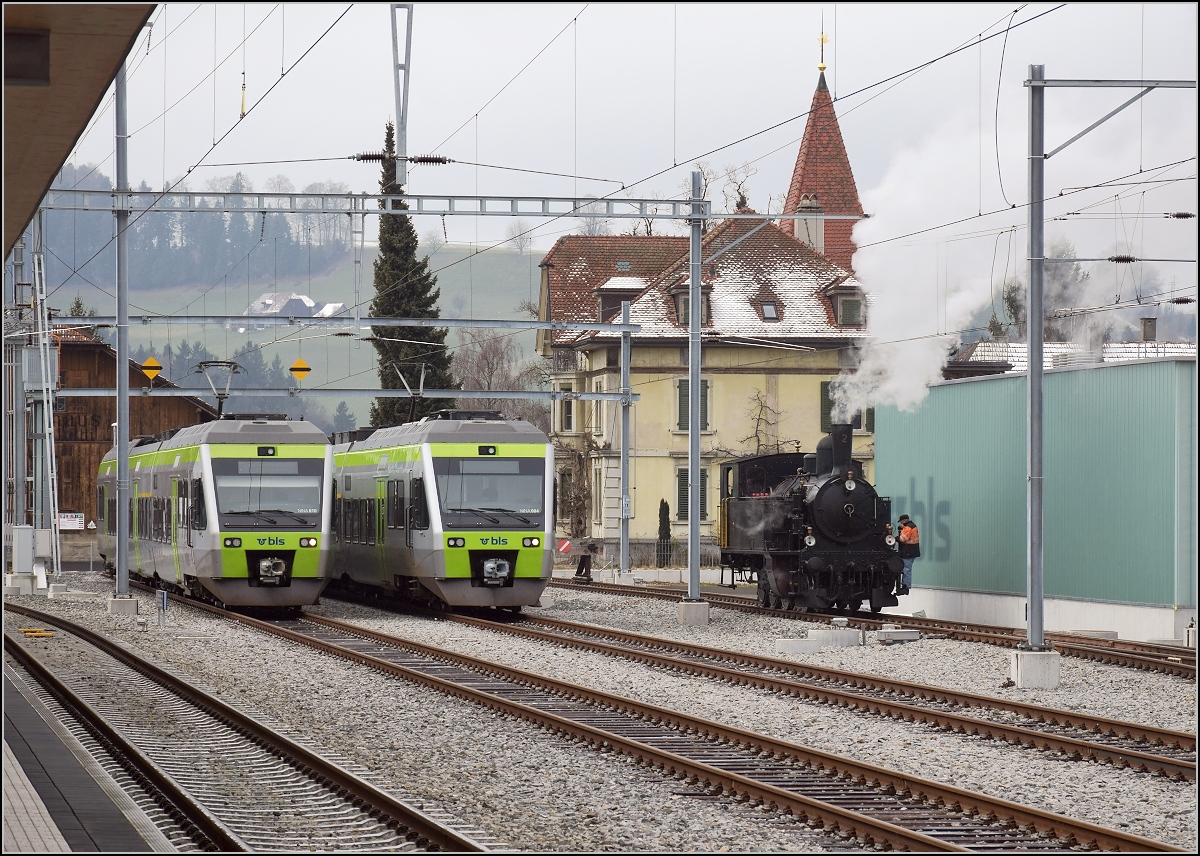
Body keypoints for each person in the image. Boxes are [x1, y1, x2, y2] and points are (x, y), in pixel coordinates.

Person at [896, 514, 920, 595]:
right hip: (912, 551)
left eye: (902, 521)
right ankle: (905, 586)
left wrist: (896, 538)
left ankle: (906, 587)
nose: (902, 523)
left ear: (904, 520)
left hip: (908, 552)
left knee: (906, 569)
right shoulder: (912, 526)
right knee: (906, 569)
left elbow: (903, 539)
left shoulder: (908, 528)